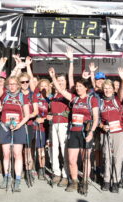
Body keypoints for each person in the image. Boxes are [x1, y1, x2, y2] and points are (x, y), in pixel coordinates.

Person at [50, 67, 99, 192]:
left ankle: (85, 182)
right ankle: (74, 182)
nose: (77, 88)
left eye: (80, 86)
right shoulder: (74, 98)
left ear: (86, 88)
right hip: (73, 131)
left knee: (85, 159)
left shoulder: (91, 99)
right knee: (72, 160)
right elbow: (61, 90)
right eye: (76, 86)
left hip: (85, 132)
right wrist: (53, 77)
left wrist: (92, 132)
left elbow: (96, 118)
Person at [0, 57, 30, 192]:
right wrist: (1, 67)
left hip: (19, 127)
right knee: (6, 154)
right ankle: (7, 177)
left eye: (15, 84)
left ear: (19, 85)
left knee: (17, 154)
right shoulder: (4, 95)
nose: (12, 86)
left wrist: (19, 125)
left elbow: (27, 115)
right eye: (10, 84)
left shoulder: (23, 97)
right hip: (5, 127)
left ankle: (18, 179)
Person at [47, 47, 75, 186]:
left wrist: (70, 61)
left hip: (64, 124)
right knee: (53, 149)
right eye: (59, 81)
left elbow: (71, 77)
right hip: (54, 124)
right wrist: (48, 116)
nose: (61, 82)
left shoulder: (69, 93)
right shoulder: (54, 95)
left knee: (64, 150)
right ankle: (56, 173)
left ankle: (65, 175)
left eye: (62, 81)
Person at [99, 67, 123, 193]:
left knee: (118, 157)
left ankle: (115, 181)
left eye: (109, 88)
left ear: (113, 89)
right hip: (106, 132)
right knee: (107, 157)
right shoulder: (100, 101)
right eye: (105, 88)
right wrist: (101, 126)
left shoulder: (117, 100)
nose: (107, 90)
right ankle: (106, 180)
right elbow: (97, 118)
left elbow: (121, 91)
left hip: (119, 132)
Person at [33, 79, 52, 180]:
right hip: (34, 125)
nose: (44, 88)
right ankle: (29, 167)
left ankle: (41, 168)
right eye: (42, 86)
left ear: (49, 87)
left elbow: (51, 115)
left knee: (41, 149)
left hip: (44, 127)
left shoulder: (50, 99)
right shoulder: (35, 97)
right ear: (39, 87)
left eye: (46, 86)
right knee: (31, 148)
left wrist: (44, 119)